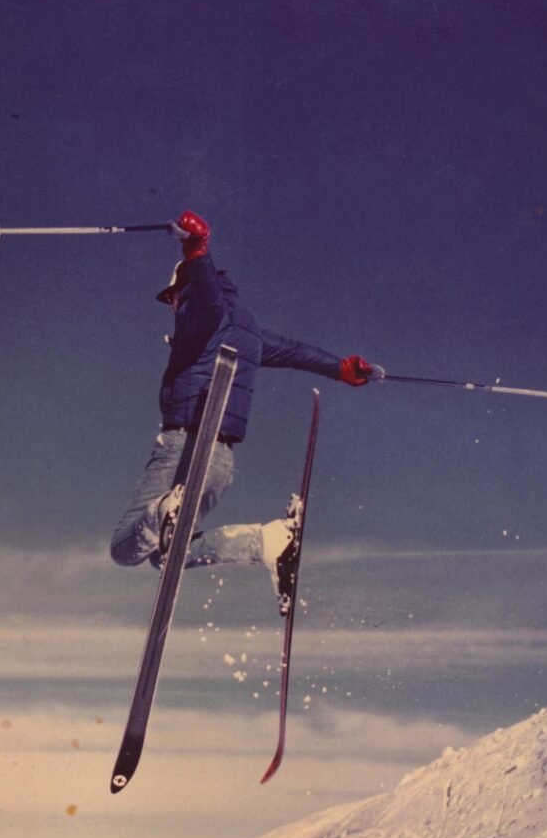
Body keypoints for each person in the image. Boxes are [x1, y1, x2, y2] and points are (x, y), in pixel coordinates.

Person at [110, 210, 373, 596]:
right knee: (165, 555)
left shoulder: (202, 310)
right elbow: (295, 351)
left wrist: (197, 252)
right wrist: (340, 368)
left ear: (182, 290)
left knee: (124, 547)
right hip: (220, 461)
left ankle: (164, 508)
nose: (172, 306)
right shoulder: (248, 333)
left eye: (172, 297)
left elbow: (208, 298)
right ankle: (267, 542)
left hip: (185, 448)